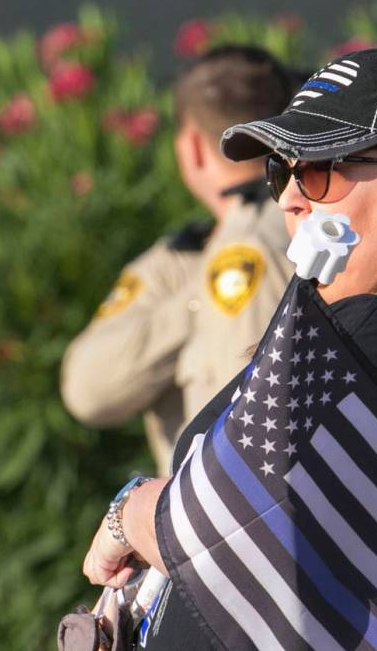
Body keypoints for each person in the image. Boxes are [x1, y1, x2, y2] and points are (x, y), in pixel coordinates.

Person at [80, 47, 377, 649]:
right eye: (280, 171)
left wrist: (130, 511)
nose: (289, 197)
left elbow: (234, 537)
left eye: (319, 169)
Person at [61, 46, 296, 475]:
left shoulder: (249, 249)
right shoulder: (188, 258)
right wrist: (197, 297)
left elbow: (249, 443)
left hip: (231, 522)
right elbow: (88, 389)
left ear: (191, 148)